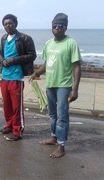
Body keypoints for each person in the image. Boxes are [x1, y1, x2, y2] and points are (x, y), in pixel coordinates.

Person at [29, 13, 82, 158]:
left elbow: (77, 66)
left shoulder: (71, 43)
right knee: (52, 114)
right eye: (54, 26)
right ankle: (54, 137)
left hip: (64, 86)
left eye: (60, 26)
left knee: (62, 116)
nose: (57, 28)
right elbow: (47, 64)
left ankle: (61, 145)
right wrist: (36, 73)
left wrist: (75, 89)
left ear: (65, 27)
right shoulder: (48, 43)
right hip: (50, 85)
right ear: (52, 27)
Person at [0, 14, 36, 141]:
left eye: (10, 23)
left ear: (15, 24)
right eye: (5, 24)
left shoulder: (24, 38)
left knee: (16, 107)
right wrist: (2, 61)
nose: (8, 25)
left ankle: (17, 131)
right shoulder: (3, 38)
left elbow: (32, 55)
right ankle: (9, 126)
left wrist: (14, 60)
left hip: (16, 77)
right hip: (4, 77)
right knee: (6, 105)